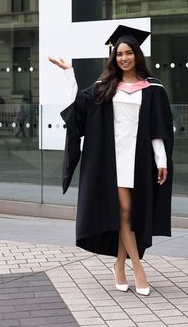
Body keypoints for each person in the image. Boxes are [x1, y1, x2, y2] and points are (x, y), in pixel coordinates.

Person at [49, 24, 173, 296]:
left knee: (129, 213)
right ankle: (138, 270)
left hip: (138, 159)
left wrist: (161, 160)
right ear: (114, 58)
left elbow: (158, 129)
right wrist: (69, 73)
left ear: (137, 55)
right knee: (125, 211)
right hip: (110, 160)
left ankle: (119, 266)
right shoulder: (104, 87)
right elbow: (76, 111)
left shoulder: (153, 89)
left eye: (128, 53)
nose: (124, 58)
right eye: (119, 54)